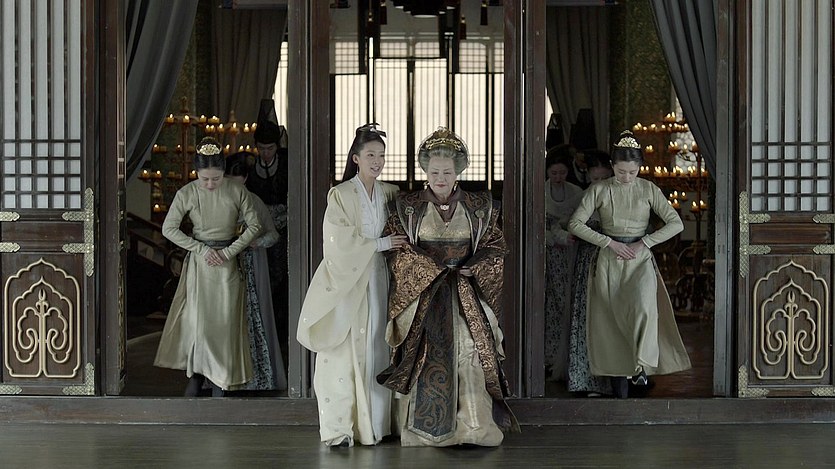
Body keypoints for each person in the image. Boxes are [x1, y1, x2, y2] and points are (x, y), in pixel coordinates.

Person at [377, 127, 518, 447]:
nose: (440, 178)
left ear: (458, 172)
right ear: (425, 171)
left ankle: (474, 428)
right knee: (425, 355)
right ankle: (423, 433)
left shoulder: (480, 206)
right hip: (425, 294)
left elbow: (496, 247)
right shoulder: (407, 207)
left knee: (471, 353)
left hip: (464, 291)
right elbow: (397, 249)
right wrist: (429, 268)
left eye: (447, 172)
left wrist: (476, 265)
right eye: (435, 172)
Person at [297, 123, 405, 447]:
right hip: (348, 282)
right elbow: (337, 242)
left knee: (378, 346)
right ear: (356, 158)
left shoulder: (390, 193)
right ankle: (339, 428)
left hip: (381, 279)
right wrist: (380, 243)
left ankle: (377, 425)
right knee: (341, 352)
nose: (377, 161)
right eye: (370, 155)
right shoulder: (341, 195)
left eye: (381, 155)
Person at [568, 131, 691, 398]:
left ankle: (642, 366)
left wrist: (644, 243)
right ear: (613, 166)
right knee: (613, 320)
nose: (626, 177)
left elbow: (676, 223)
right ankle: (622, 376)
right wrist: (608, 243)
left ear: (639, 168)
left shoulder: (648, 189)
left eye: (632, 172)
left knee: (644, 309)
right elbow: (575, 224)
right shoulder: (600, 190)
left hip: (640, 259)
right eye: (621, 171)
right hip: (610, 259)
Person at [154, 137, 262, 397]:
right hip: (200, 265)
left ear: (223, 172)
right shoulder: (187, 193)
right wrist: (201, 249)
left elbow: (255, 225)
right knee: (198, 323)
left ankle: (222, 379)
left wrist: (228, 252)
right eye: (205, 179)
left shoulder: (236, 190)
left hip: (227, 264)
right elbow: (168, 228)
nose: (211, 184)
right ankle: (197, 375)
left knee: (224, 322)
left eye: (216, 178)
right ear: (196, 173)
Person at [225, 151, 287, 392]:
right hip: (226, 264)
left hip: (251, 266)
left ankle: (256, 376)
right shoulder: (217, 200)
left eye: (239, 182)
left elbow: (273, 234)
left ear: (246, 179)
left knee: (253, 317)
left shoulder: (254, 201)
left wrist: (256, 242)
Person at [566, 152, 613, 396]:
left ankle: (619, 378)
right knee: (587, 315)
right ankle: (586, 379)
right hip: (589, 262)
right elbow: (571, 226)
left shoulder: (620, 194)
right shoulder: (584, 198)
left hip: (614, 262)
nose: (600, 184)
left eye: (604, 178)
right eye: (595, 179)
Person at [247, 99, 289, 367]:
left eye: (270, 148)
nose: (265, 153)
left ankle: (282, 336)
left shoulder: (287, 163)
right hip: (260, 229)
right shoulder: (249, 166)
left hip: (285, 229)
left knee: (282, 280)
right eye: (261, 148)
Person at [543, 147, 584, 383]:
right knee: (549, 302)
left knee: (567, 300)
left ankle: (568, 355)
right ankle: (548, 356)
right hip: (547, 254)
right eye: (554, 173)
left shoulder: (576, 193)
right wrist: (552, 238)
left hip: (570, 251)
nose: (558, 177)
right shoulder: (541, 192)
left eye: (562, 173)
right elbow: (536, 225)